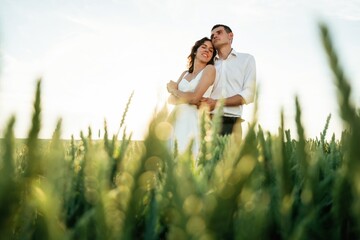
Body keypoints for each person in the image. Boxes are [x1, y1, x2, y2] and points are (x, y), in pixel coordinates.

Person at [201, 24, 256, 137]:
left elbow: (249, 94)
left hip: (233, 123)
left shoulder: (246, 59)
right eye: (212, 35)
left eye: (219, 32)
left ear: (230, 36)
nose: (214, 36)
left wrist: (217, 103)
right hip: (207, 122)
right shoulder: (208, 64)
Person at [167, 37, 216, 158]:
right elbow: (170, 100)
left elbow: (194, 98)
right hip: (176, 118)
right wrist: (188, 97)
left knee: (189, 157)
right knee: (171, 156)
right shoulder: (185, 73)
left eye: (211, 50)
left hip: (193, 119)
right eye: (204, 47)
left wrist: (174, 90)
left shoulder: (209, 70)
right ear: (195, 51)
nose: (207, 51)